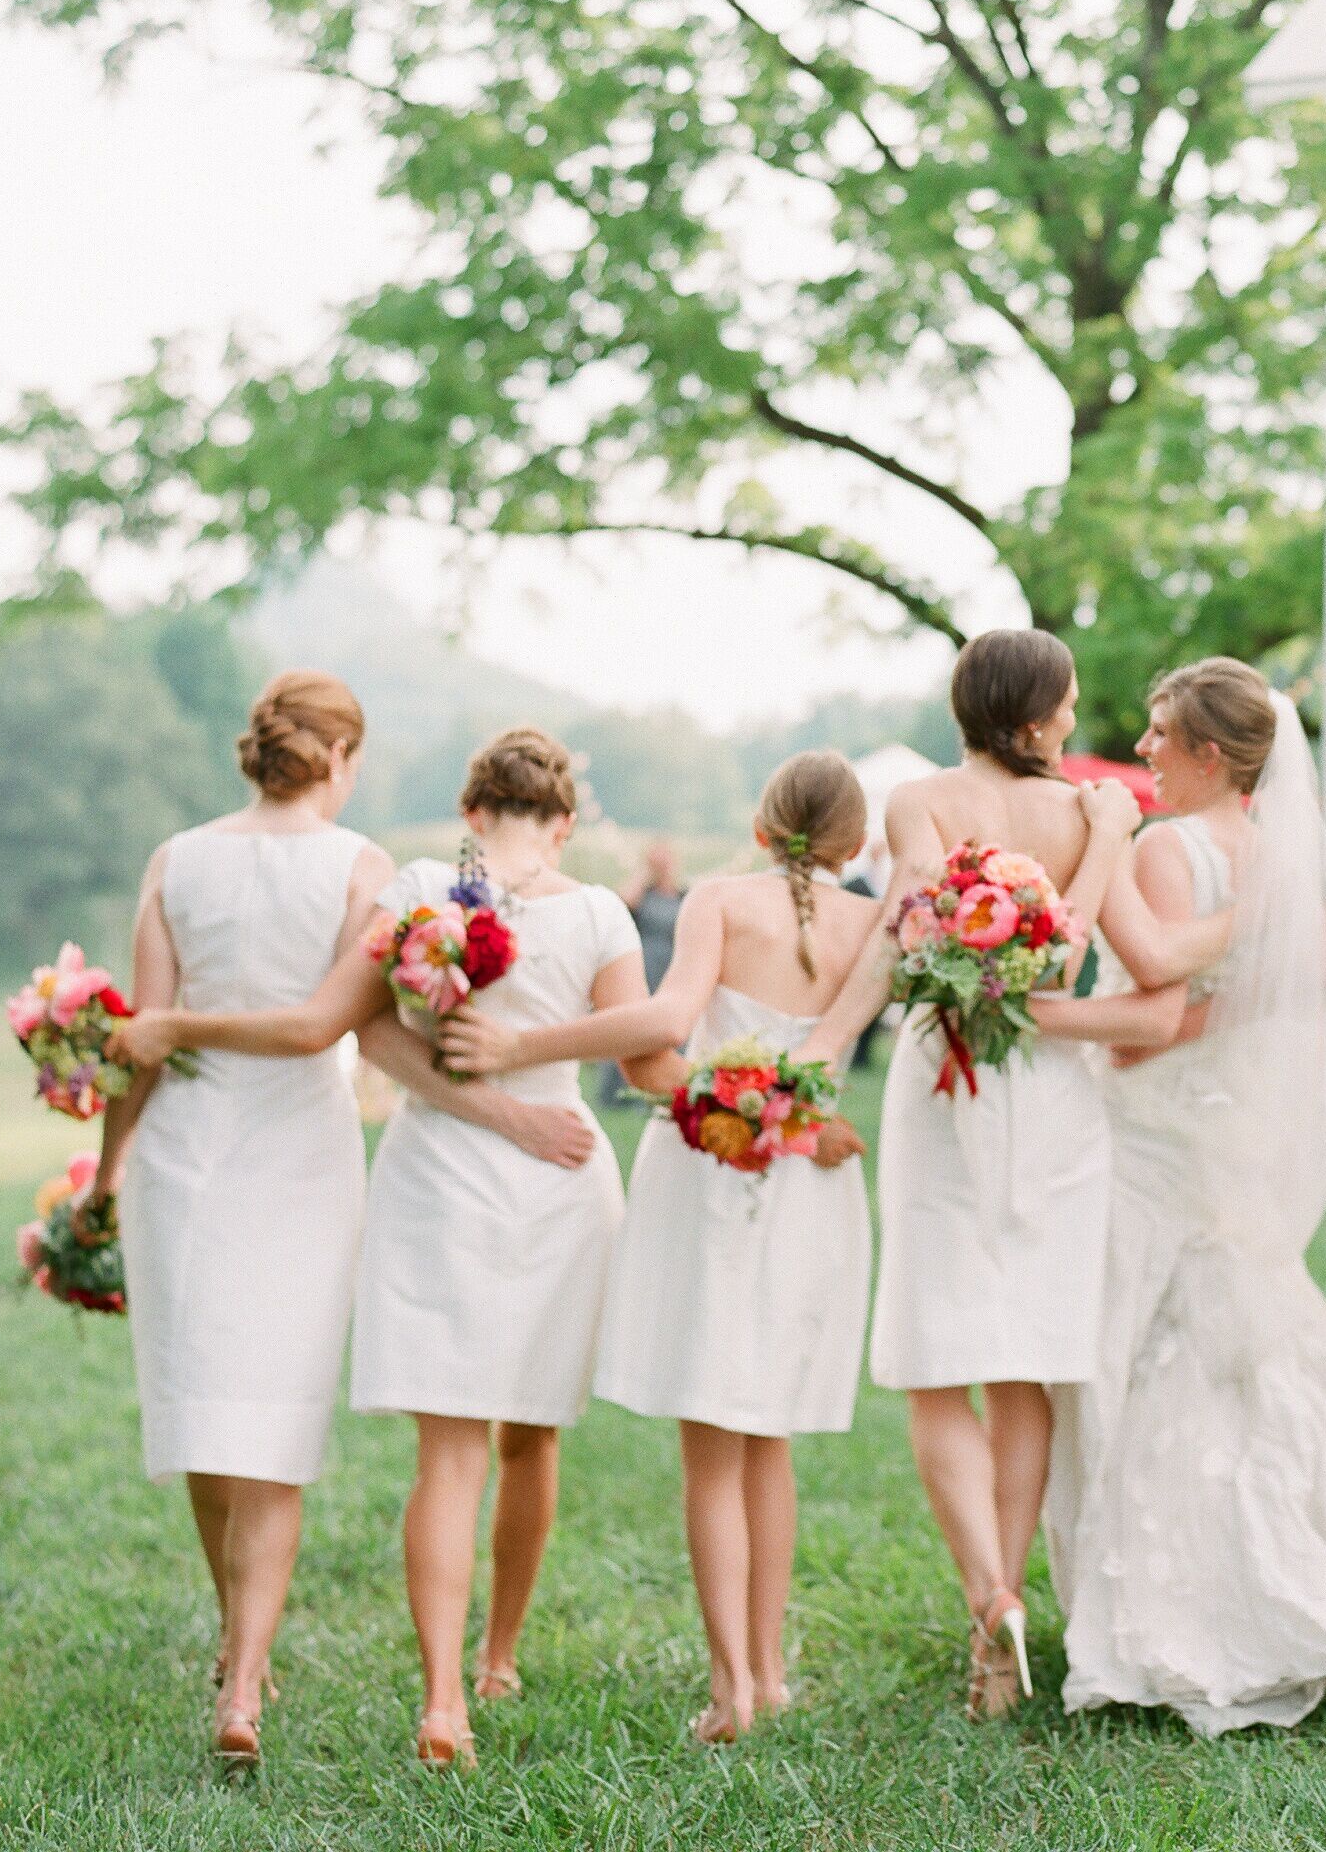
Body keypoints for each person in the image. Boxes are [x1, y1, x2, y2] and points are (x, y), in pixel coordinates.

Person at [93, 676, 594, 1767]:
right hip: (297, 1157)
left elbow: (139, 1044)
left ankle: (242, 1657)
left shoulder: (177, 858)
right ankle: (243, 1674)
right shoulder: (363, 866)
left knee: (202, 1415)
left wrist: (105, 1170)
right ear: (341, 757)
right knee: (267, 1419)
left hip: (182, 1151)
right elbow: (333, 1022)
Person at [1030, 659, 1326, 1734]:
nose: (1140, 751)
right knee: (1235, 1352)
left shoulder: (1166, 845)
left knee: (1145, 1344)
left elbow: (1150, 989)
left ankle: (1178, 1601)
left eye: (1157, 732)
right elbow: (1236, 999)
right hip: (1218, 1123)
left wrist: (1036, 1003)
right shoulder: (1277, 851)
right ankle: (1298, 1575)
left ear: (1208, 755)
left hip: (1155, 1124)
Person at [440, 753, 877, 1744]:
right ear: (854, 843)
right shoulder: (875, 922)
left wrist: (523, 1045)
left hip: (712, 1168)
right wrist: (800, 1121)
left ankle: (729, 1690)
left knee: (711, 1449)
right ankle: (770, 1672)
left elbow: (662, 1038)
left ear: (763, 827)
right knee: (770, 1438)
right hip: (811, 1179)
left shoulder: (719, 896)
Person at [788, 630, 1145, 1718]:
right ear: (1031, 715)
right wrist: (1114, 834)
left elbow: (903, 923)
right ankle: (1011, 1595)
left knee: (941, 1360)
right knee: (1025, 1363)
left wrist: (834, 1040)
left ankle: (990, 1608)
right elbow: (1067, 952)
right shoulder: (1092, 812)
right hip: (1052, 1092)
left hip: (947, 1075)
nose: (1077, 723)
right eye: (1070, 705)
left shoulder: (923, 799)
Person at [602, 842, 688, 1105]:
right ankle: (620, 1093)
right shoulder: (642, 893)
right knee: (633, 1022)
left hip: (671, 966)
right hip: (642, 966)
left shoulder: (683, 894)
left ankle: (665, 1088)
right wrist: (644, 874)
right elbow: (620, 905)